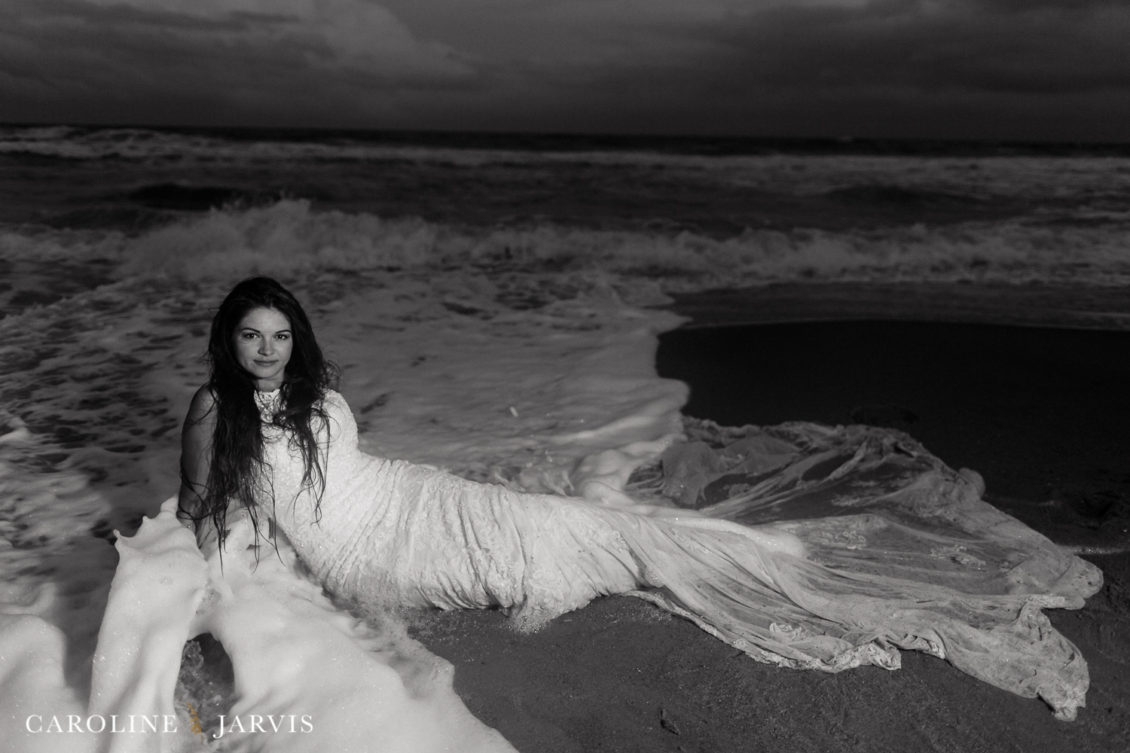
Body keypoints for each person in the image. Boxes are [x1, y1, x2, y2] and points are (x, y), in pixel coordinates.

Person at [179, 276, 1102, 720]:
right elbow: (199, 509)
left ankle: (744, 556)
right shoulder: (213, 410)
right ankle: (725, 561)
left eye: (279, 334)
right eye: (251, 336)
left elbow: (354, 471)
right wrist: (223, 576)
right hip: (371, 550)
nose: (267, 348)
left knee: (577, 525)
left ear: (295, 338)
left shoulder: (316, 397)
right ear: (230, 340)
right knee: (540, 556)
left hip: (410, 496)